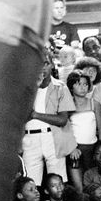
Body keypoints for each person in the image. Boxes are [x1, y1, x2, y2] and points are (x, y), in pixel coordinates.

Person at [21, 53, 76, 186]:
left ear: (52, 65)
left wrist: (35, 115)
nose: (42, 67)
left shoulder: (60, 87)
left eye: (46, 63)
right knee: (31, 182)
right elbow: (21, 116)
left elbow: (62, 120)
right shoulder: (25, 88)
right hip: (30, 139)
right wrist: (35, 86)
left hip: (53, 137)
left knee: (57, 181)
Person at [66, 71, 101, 189]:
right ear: (71, 86)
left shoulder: (94, 103)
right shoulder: (67, 105)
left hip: (93, 148)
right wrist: (72, 148)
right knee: (79, 186)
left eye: (85, 84)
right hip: (75, 149)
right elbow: (64, 129)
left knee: (93, 184)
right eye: (78, 84)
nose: (82, 87)